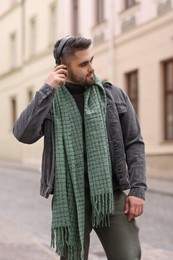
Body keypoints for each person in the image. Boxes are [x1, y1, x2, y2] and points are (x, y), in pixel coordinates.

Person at [13, 35, 147, 260]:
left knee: (128, 256)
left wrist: (137, 190)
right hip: (70, 199)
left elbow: (134, 143)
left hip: (111, 195)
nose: (91, 68)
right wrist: (47, 89)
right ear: (63, 67)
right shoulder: (51, 100)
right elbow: (23, 134)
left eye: (91, 60)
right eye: (83, 64)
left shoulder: (112, 95)